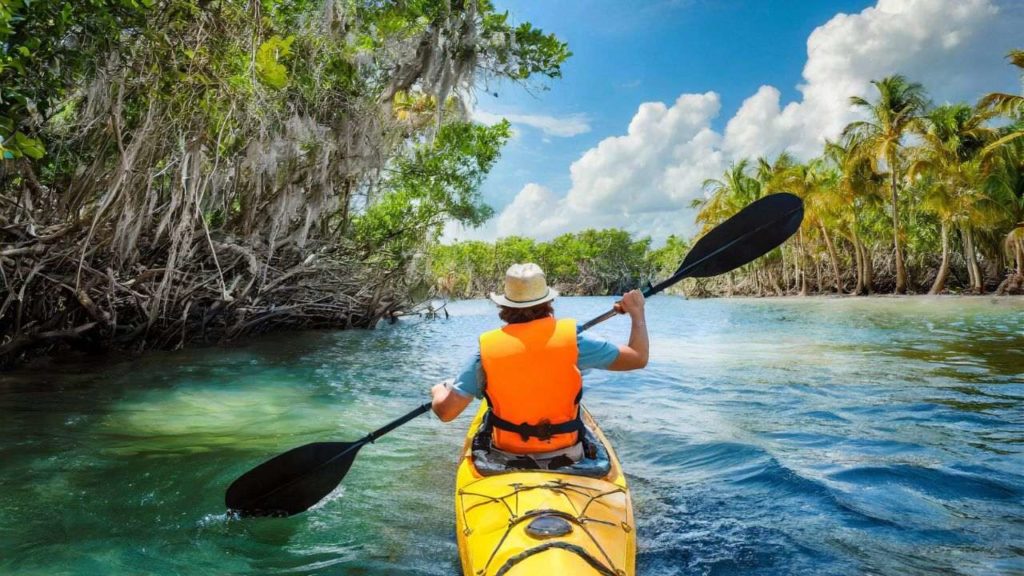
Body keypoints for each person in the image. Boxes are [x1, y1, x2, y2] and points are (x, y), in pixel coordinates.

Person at [430, 262, 648, 466]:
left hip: (505, 455)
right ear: (548, 302)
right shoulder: (575, 342)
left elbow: (447, 413)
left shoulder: (485, 351)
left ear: (504, 306)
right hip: (567, 454)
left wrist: (439, 391)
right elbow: (638, 357)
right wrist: (637, 312)